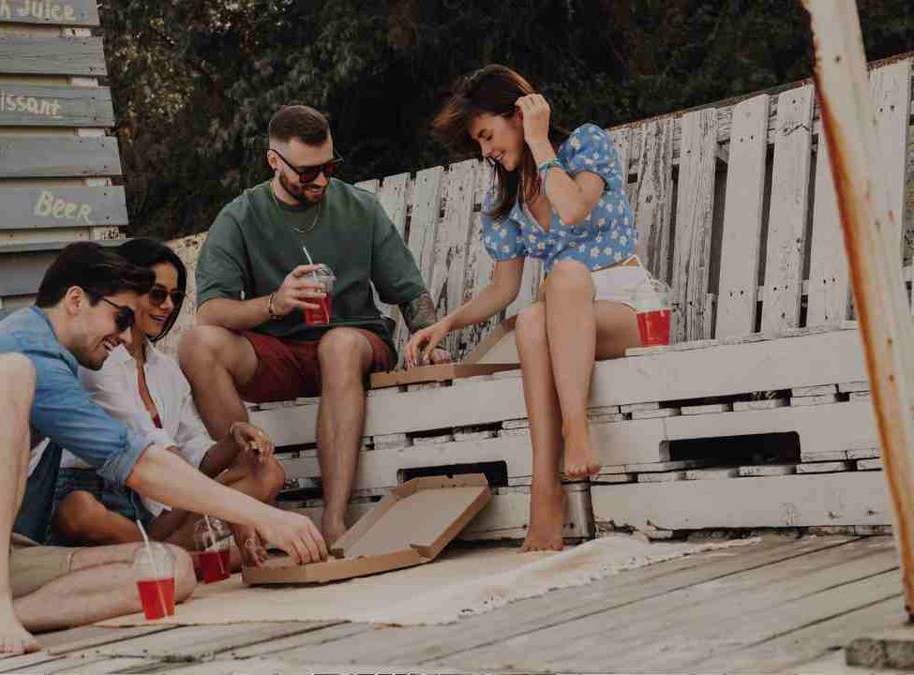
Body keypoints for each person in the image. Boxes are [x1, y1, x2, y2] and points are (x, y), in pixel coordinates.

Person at [0, 242, 326, 656]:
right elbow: (139, 464)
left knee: (169, 572)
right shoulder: (25, 347)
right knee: (9, 373)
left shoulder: (68, 365)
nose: (124, 333)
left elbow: (148, 454)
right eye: (119, 316)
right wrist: (269, 517)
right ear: (74, 299)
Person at [180, 104, 446, 545]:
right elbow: (211, 312)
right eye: (307, 173)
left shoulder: (358, 207)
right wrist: (275, 303)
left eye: (328, 167)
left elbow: (409, 290)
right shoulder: (241, 216)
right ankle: (253, 476)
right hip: (280, 351)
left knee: (338, 344)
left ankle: (335, 519)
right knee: (198, 345)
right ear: (273, 161)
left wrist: (430, 335)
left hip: (355, 340)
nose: (321, 180)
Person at [409, 65, 647, 552]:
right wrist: (446, 323)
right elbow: (503, 290)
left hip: (625, 308)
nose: (486, 150)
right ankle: (546, 489)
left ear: (519, 114)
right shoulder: (507, 195)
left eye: (487, 135)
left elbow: (575, 209)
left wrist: (540, 142)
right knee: (533, 316)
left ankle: (575, 431)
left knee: (564, 276)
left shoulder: (584, 144)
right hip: (565, 321)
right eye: (478, 143)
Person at [51, 238, 285, 568]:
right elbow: (145, 443)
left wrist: (232, 440)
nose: (167, 306)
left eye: (175, 297)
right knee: (79, 509)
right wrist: (235, 510)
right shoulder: (98, 360)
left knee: (267, 472)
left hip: (153, 502)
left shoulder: (166, 369)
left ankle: (168, 560)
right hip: (104, 493)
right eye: (157, 294)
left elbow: (192, 450)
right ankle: (183, 559)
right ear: (128, 292)